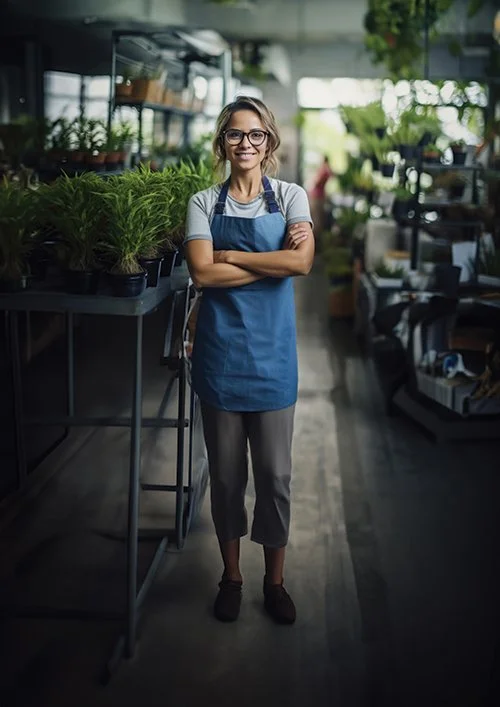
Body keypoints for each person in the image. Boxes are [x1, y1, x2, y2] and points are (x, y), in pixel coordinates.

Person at [184, 96, 314, 624]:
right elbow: (200, 275)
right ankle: (232, 576)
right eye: (235, 135)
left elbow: (303, 263)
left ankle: (275, 581)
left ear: (269, 142)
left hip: (274, 359)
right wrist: (273, 263)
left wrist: (232, 255)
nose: (245, 144)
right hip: (220, 357)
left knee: (276, 478)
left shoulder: (290, 196)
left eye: (255, 134)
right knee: (229, 478)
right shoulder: (202, 202)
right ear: (223, 143)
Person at [308, 154, 334, 236]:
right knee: (318, 216)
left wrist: (313, 181)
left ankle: (314, 238)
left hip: (317, 196)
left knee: (316, 217)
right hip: (320, 195)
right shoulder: (328, 169)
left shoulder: (324, 169)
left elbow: (317, 182)